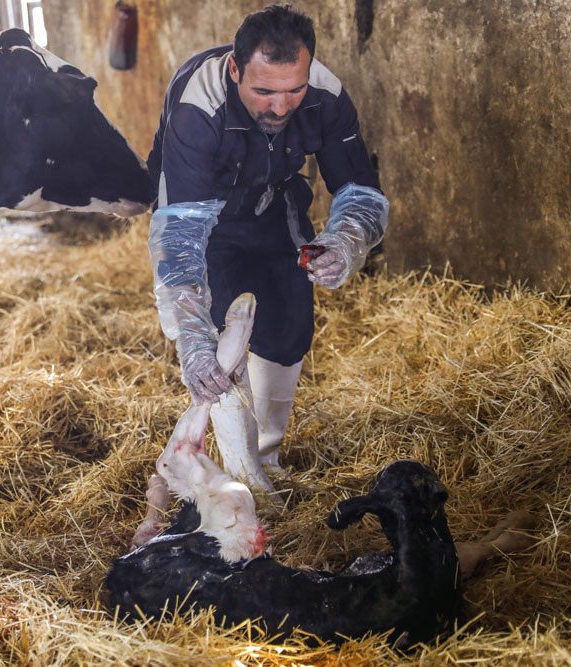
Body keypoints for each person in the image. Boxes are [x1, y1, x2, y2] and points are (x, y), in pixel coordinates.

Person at [146, 5, 389, 496]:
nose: (281, 107)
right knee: (215, 346)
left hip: (274, 202)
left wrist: (345, 240)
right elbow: (181, 230)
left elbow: (360, 190)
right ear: (235, 70)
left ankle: (263, 462)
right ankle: (212, 472)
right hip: (203, 213)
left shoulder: (326, 94)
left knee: (288, 327)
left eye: (293, 90)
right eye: (264, 92)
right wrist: (190, 339)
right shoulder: (199, 105)